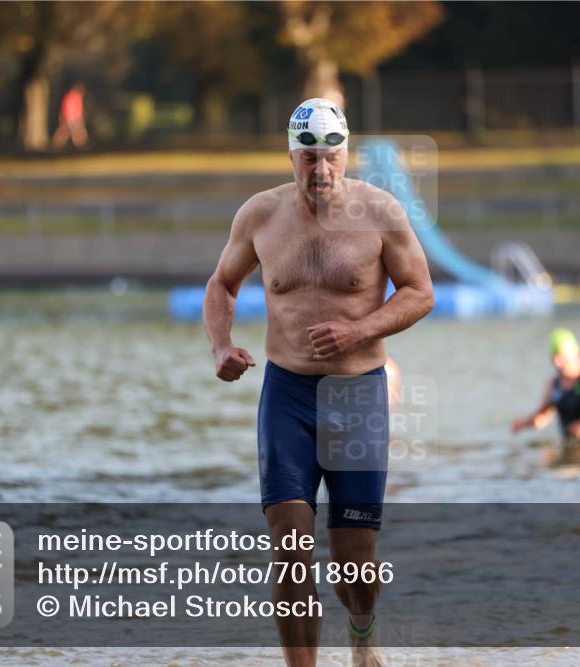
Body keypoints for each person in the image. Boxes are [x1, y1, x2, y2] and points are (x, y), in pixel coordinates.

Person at [203, 98, 434, 667]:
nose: (321, 170)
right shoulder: (259, 215)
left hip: (357, 396)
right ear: (291, 154)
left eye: (331, 156)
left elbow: (421, 292)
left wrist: (361, 329)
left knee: (354, 561)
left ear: (346, 152)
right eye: (309, 158)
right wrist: (221, 346)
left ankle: (362, 632)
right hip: (287, 395)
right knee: (289, 547)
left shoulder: (381, 212)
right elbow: (222, 284)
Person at [52, 83, 88, 149]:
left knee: (65, 132)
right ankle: (80, 146)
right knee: (78, 133)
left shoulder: (69, 96)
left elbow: (65, 107)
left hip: (70, 117)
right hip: (74, 118)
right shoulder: (76, 96)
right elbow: (74, 108)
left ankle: (57, 145)